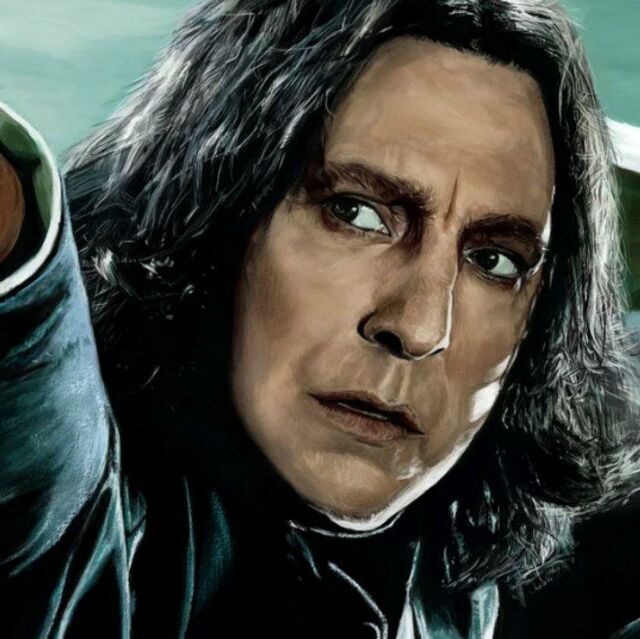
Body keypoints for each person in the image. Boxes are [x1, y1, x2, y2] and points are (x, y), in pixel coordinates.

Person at [0, 0, 639, 637]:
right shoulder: (92, 514)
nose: (420, 328)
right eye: (357, 213)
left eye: (494, 260)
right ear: (221, 211)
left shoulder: (462, 562)